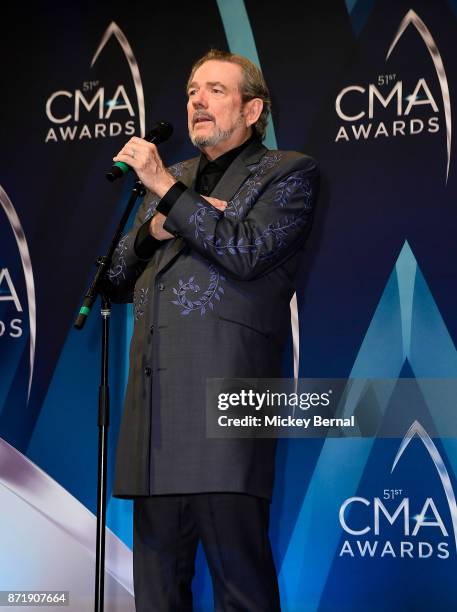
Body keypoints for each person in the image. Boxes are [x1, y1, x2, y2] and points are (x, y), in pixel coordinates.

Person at [106, 49, 319, 611]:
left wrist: (169, 197)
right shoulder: (172, 179)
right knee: (155, 594)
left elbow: (247, 252)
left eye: (215, 90)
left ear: (253, 110)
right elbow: (115, 277)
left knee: (240, 589)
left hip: (226, 409)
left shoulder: (288, 173)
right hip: (154, 415)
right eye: (192, 90)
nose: (196, 100)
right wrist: (157, 222)